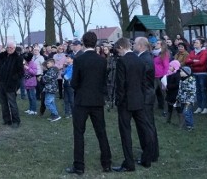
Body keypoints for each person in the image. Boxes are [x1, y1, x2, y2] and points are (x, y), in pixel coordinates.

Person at [66, 31, 112, 175]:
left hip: (82, 101)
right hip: (97, 101)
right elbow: (104, 82)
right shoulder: (102, 60)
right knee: (101, 132)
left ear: (84, 43)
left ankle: (79, 166)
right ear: (95, 42)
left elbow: (74, 82)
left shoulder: (79, 60)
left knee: (79, 133)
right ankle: (107, 164)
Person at [112, 38, 154, 172]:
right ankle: (147, 159)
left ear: (121, 47)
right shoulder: (139, 60)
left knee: (125, 132)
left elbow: (121, 84)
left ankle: (129, 163)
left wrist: (118, 101)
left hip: (125, 102)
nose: (117, 52)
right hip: (139, 100)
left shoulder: (122, 61)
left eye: (117, 49)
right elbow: (143, 83)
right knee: (144, 129)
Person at [133, 37, 159, 163]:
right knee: (147, 126)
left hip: (145, 96)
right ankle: (151, 153)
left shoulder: (145, 59)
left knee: (147, 127)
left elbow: (141, 78)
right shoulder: (143, 57)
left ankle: (150, 154)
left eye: (135, 43)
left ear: (141, 46)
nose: (133, 45)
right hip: (145, 95)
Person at [0, 42, 24, 128]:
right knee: (3, 103)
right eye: (8, 47)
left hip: (10, 85)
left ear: (14, 48)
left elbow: (21, 72)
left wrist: (13, 78)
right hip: (0, 83)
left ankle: (16, 121)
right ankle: (7, 120)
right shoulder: (3, 55)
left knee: (12, 104)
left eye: (11, 48)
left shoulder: (18, 58)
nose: (9, 49)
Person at [177, 66, 196, 131]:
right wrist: (178, 98)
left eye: (182, 71)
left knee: (186, 112)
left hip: (188, 100)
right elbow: (180, 90)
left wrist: (189, 100)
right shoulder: (181, 79)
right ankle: (189, 124)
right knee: (187, 112)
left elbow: (192, 91)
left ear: (186, 73)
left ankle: (189, 126)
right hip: (182, 100)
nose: (180, 73)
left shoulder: (191, 80)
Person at [164, 60, 181, 125]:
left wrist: (168, 86)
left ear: (175, 67)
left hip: (175, 94)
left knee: (178, 108)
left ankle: (181, 122)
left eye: (171, 66)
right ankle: (168, 120)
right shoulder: (169, 74)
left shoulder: (177, 75)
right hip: (170, 93)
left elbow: (177, 85)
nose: (169, 67)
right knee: (169, 107)